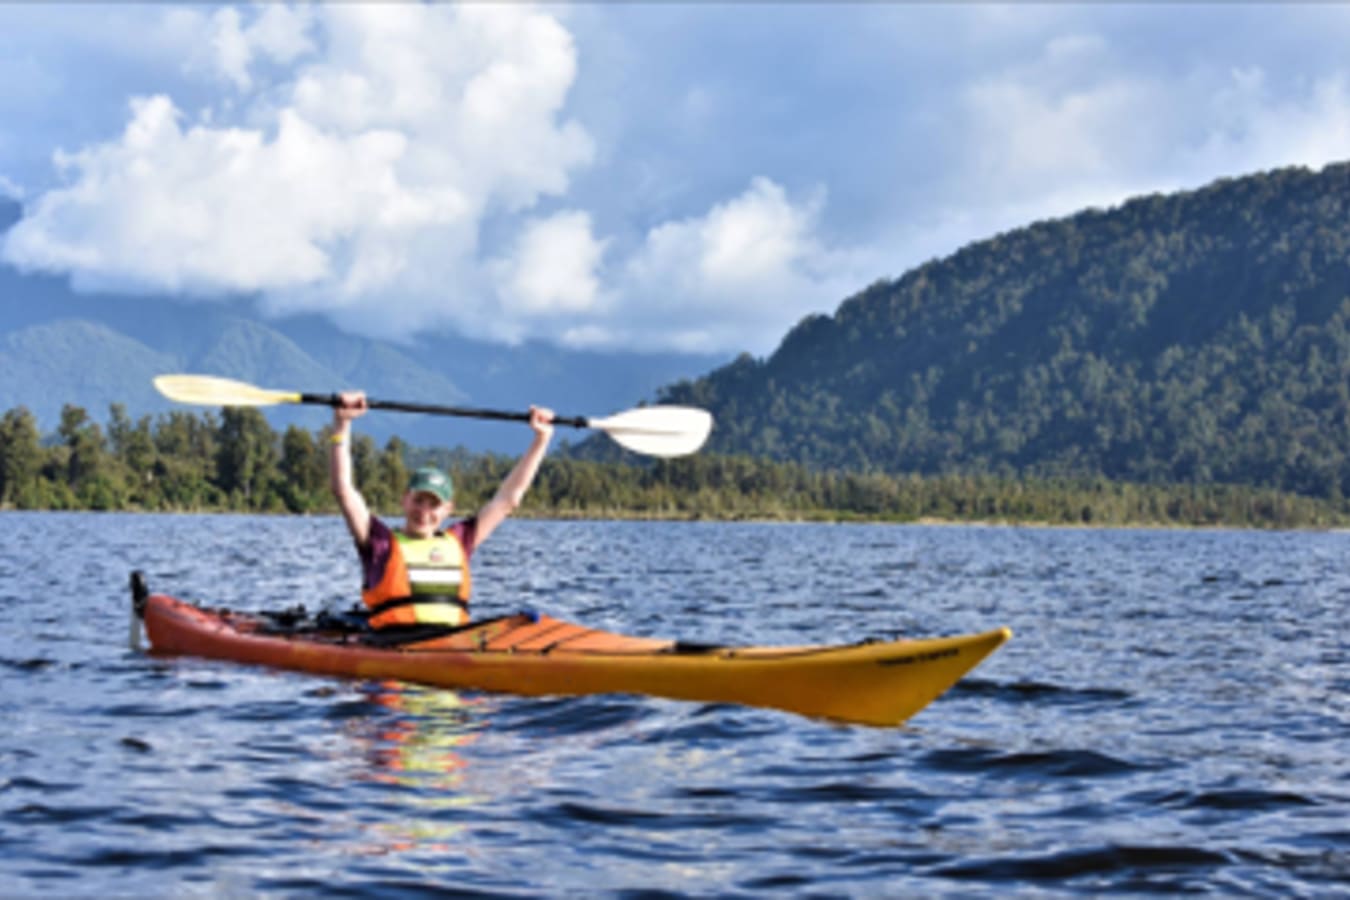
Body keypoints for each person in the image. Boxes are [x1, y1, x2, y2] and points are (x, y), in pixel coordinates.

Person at [329, 391, 554, 633]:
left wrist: (541, 439)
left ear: (448, 509)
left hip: (452, 644)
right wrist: (342, 423)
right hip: (391, 643)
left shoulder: (460, 539)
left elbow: (508, 499)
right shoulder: (380, 543)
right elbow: (343, 490)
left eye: (434, 504)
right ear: (405, 499)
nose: (424, 511)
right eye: (418, 500)